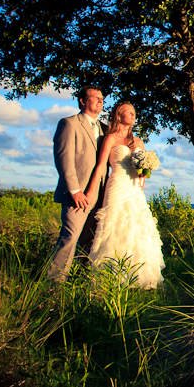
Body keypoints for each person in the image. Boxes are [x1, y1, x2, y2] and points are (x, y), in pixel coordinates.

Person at [85, 101, 164, 289]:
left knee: (138, 229)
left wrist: (144, 173)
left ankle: (140, 277)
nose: (133, 115)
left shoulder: (138, 142)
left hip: (135, 188)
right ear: (119, 115)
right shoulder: (110, 139)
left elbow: (144, 172)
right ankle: (110, 277)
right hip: (118, 184)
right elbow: (100, 166)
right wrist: (90, 192)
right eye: (129, 112)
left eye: (134, 112)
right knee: (114, 225)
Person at [48, 85, 107, 282]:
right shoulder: (69, 124)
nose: (100, 101)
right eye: (95, 97)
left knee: (90, 240)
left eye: (102, 98)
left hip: (101, 194)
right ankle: (53, 283)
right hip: (78, 195)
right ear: (82, 100)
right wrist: (75, 190)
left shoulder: (104, 128)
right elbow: (64, 160)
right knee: (70, 238)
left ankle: (79, 280)